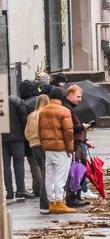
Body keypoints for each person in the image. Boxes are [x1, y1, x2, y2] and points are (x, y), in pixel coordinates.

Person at [38, 87, 75, 215]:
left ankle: (51, 202)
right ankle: (59, 201)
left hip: (48, 148)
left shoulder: (43, 111)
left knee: (50, 176)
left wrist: (44, 144)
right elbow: (68, 133)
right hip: (61, 148)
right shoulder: (64, 111)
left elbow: (40, 130)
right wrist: (70, 149)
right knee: (60, 176)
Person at [63, 84, 90, 208]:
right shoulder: (67, 109)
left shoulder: (70, 108)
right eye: (78, 96)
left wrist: (85, 139)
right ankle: (73, 197)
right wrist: (82, 127)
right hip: (74, 144)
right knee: (76, 171)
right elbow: (69, 129)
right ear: (70, 95)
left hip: (77, 142)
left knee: (77, 170)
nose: (80, 99)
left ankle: (76, 195)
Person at [3, 84, 31, 201]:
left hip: (2, 140)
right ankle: (20, 190)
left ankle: (8, 191)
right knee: (19, 164)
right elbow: (25, 120)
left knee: (5, 166)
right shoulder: (16, 102)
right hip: (17, 139)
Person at [24, 94, 48, 214]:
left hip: (33, 145)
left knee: (39, 168)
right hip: (42, 144)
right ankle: (45, 200)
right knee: (46, 173)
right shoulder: (44, 114)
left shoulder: (31, 115)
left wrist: (31, 140)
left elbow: (26, 132)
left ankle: (41, 194)